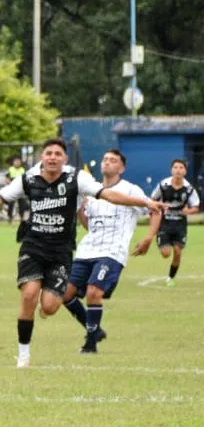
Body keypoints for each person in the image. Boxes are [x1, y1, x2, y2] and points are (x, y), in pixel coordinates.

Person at [0, 138, 163, 368]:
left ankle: (52, 314)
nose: (52, 157)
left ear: (65, 159)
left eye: (57, 154)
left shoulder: (76, 179)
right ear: (42, 157)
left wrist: (146, 203)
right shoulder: (28, 179)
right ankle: (23, 355)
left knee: (50, 307)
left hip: (61, 252)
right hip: (33, 247)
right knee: (29, 295)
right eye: (48, 153)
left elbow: (109, 195)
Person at [62, 149, 157, 353]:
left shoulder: (131, 190)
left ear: (121, 168)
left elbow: (155, 210)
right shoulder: (92, 192)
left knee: (93, 292)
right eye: (105, 159)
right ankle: (96, 330)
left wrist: (149, 237)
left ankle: (90, 344)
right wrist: (79, 208)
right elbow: (90, 226)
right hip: (87, 250)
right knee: (65, 293)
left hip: (113, 251)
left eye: (113, 160)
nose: (107, 162)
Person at [149, 159, 200, 286]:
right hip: (165, 223)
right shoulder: (164, 185)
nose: (178, 170)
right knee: (166, 254)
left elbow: (196, 207)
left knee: (177, 252)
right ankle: (161, 240)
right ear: (171, 170)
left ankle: (171, 277)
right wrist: (159, 206)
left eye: (181, 168)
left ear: (185, 171)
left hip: (180, 225)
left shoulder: (189, 189)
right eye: (175, 167)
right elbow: (152, 200)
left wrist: (187, 211)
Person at [5, 156, 27, 223]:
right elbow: (7, 179)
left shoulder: (23, 170)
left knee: (22, 204)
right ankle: (10, 218)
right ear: (13, 162)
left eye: (18, 161)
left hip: (21, 190)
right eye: (16, 161)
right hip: (13, 190)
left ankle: (22, 218)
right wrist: (12, 185)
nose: (17, 163)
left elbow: (25, 179)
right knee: (11, 204)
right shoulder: (10, 169)